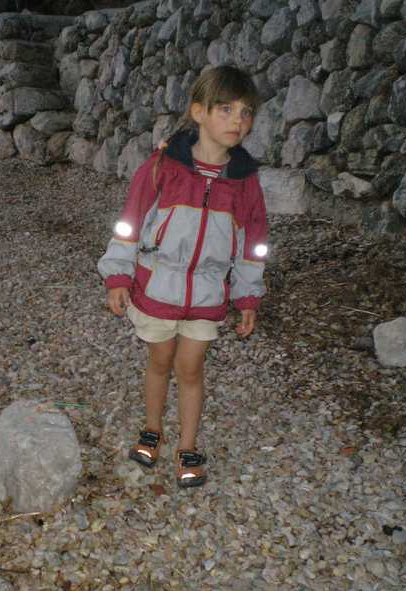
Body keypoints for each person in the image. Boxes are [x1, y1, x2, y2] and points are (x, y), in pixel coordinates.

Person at [97, 66, 269, 489]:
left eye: (246, 112)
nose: (237, 120)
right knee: (160, 361)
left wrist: (247, 296)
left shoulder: (245, 181)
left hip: (208, 294)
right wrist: (118, 275)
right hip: (159, 287)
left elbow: (253, 243)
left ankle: (187, 446)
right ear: (199, 112)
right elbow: (130, 222)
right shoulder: (163, 167)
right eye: (225, 109)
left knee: (191, 369)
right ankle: (152, 429)